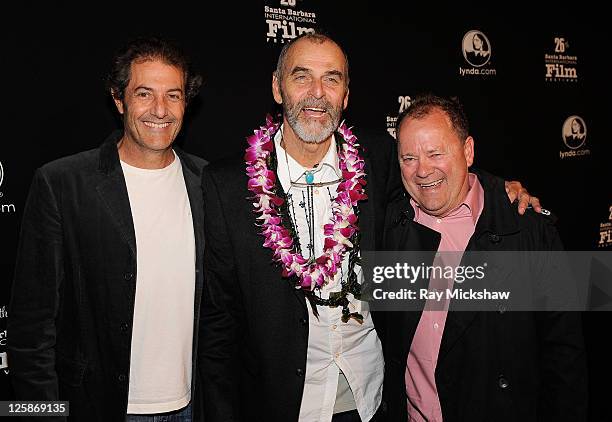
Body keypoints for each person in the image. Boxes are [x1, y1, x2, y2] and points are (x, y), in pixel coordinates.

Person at [199, 33, 539, 422]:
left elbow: (435, 175)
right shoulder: (229, 185)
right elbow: (219, 325)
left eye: (332, 79)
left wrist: (499, 188)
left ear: (345, 95)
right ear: (277, 87)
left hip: (373, 397)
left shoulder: (376, 157)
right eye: (301, 76)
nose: (317, 93)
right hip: (285, 404)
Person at [8, 37, 205, 421]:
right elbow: (31, 329)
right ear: (119, 99)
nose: (160, 110)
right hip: (95, 406)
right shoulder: (62, 183)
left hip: (192, 407)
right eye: (144, 94)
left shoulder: (208, 183)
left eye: (174, 96)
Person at [378, 94, 587, 421]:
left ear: (468, 151)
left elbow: (565, 358)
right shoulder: (391, 226)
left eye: (435, 153)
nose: (422, 170)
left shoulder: (527, 231)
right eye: (409, 158)